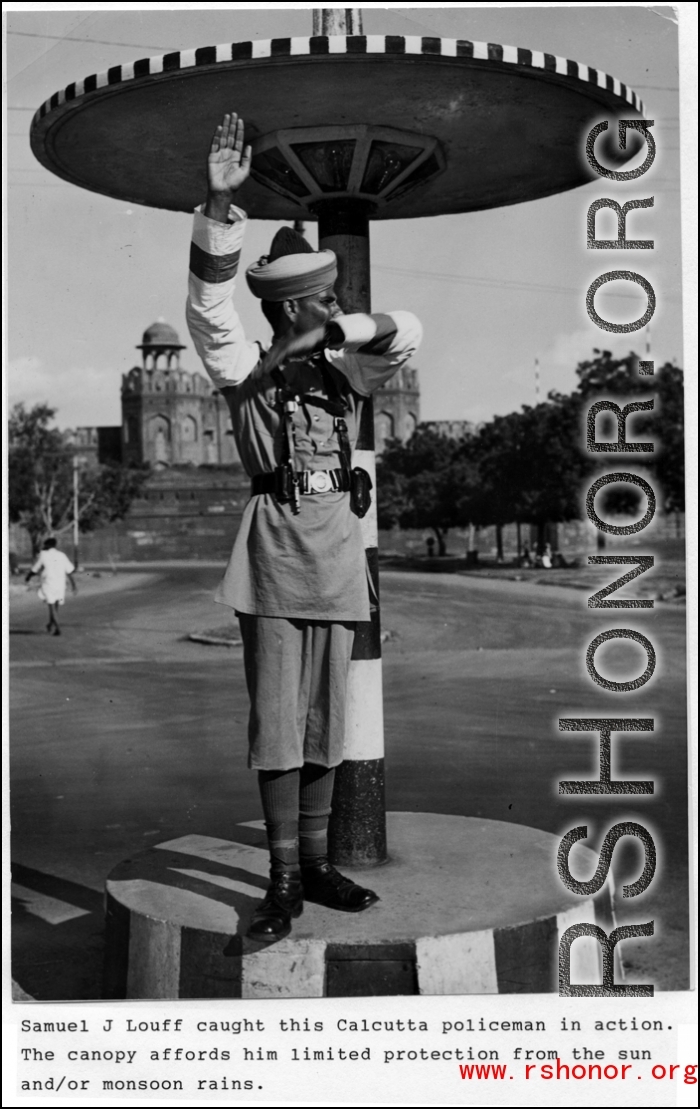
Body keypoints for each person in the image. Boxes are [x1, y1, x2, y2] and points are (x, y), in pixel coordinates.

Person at [186, 112, 422, 943]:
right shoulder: (243, 367)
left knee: (327, 720)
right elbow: (211, 307)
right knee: (278, 723)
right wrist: (221, 210)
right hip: (275, 555)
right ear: (290, 305)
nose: (337, 302)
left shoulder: (344, 364)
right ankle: (282, 879)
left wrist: (337, 331)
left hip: (336, 557)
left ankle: (317, 864)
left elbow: (407, 329)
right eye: (323, 297)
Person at [25, 537, 77, 635]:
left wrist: (28, 577)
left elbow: (35, 569)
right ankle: (50, 624)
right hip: (61, 585)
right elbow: (69, 572)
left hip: (49, 584)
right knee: (55, 606)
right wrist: (74, 585)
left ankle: (58, 629)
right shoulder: (62, 555)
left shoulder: (43, 555)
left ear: (47, 545)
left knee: (52, 606)